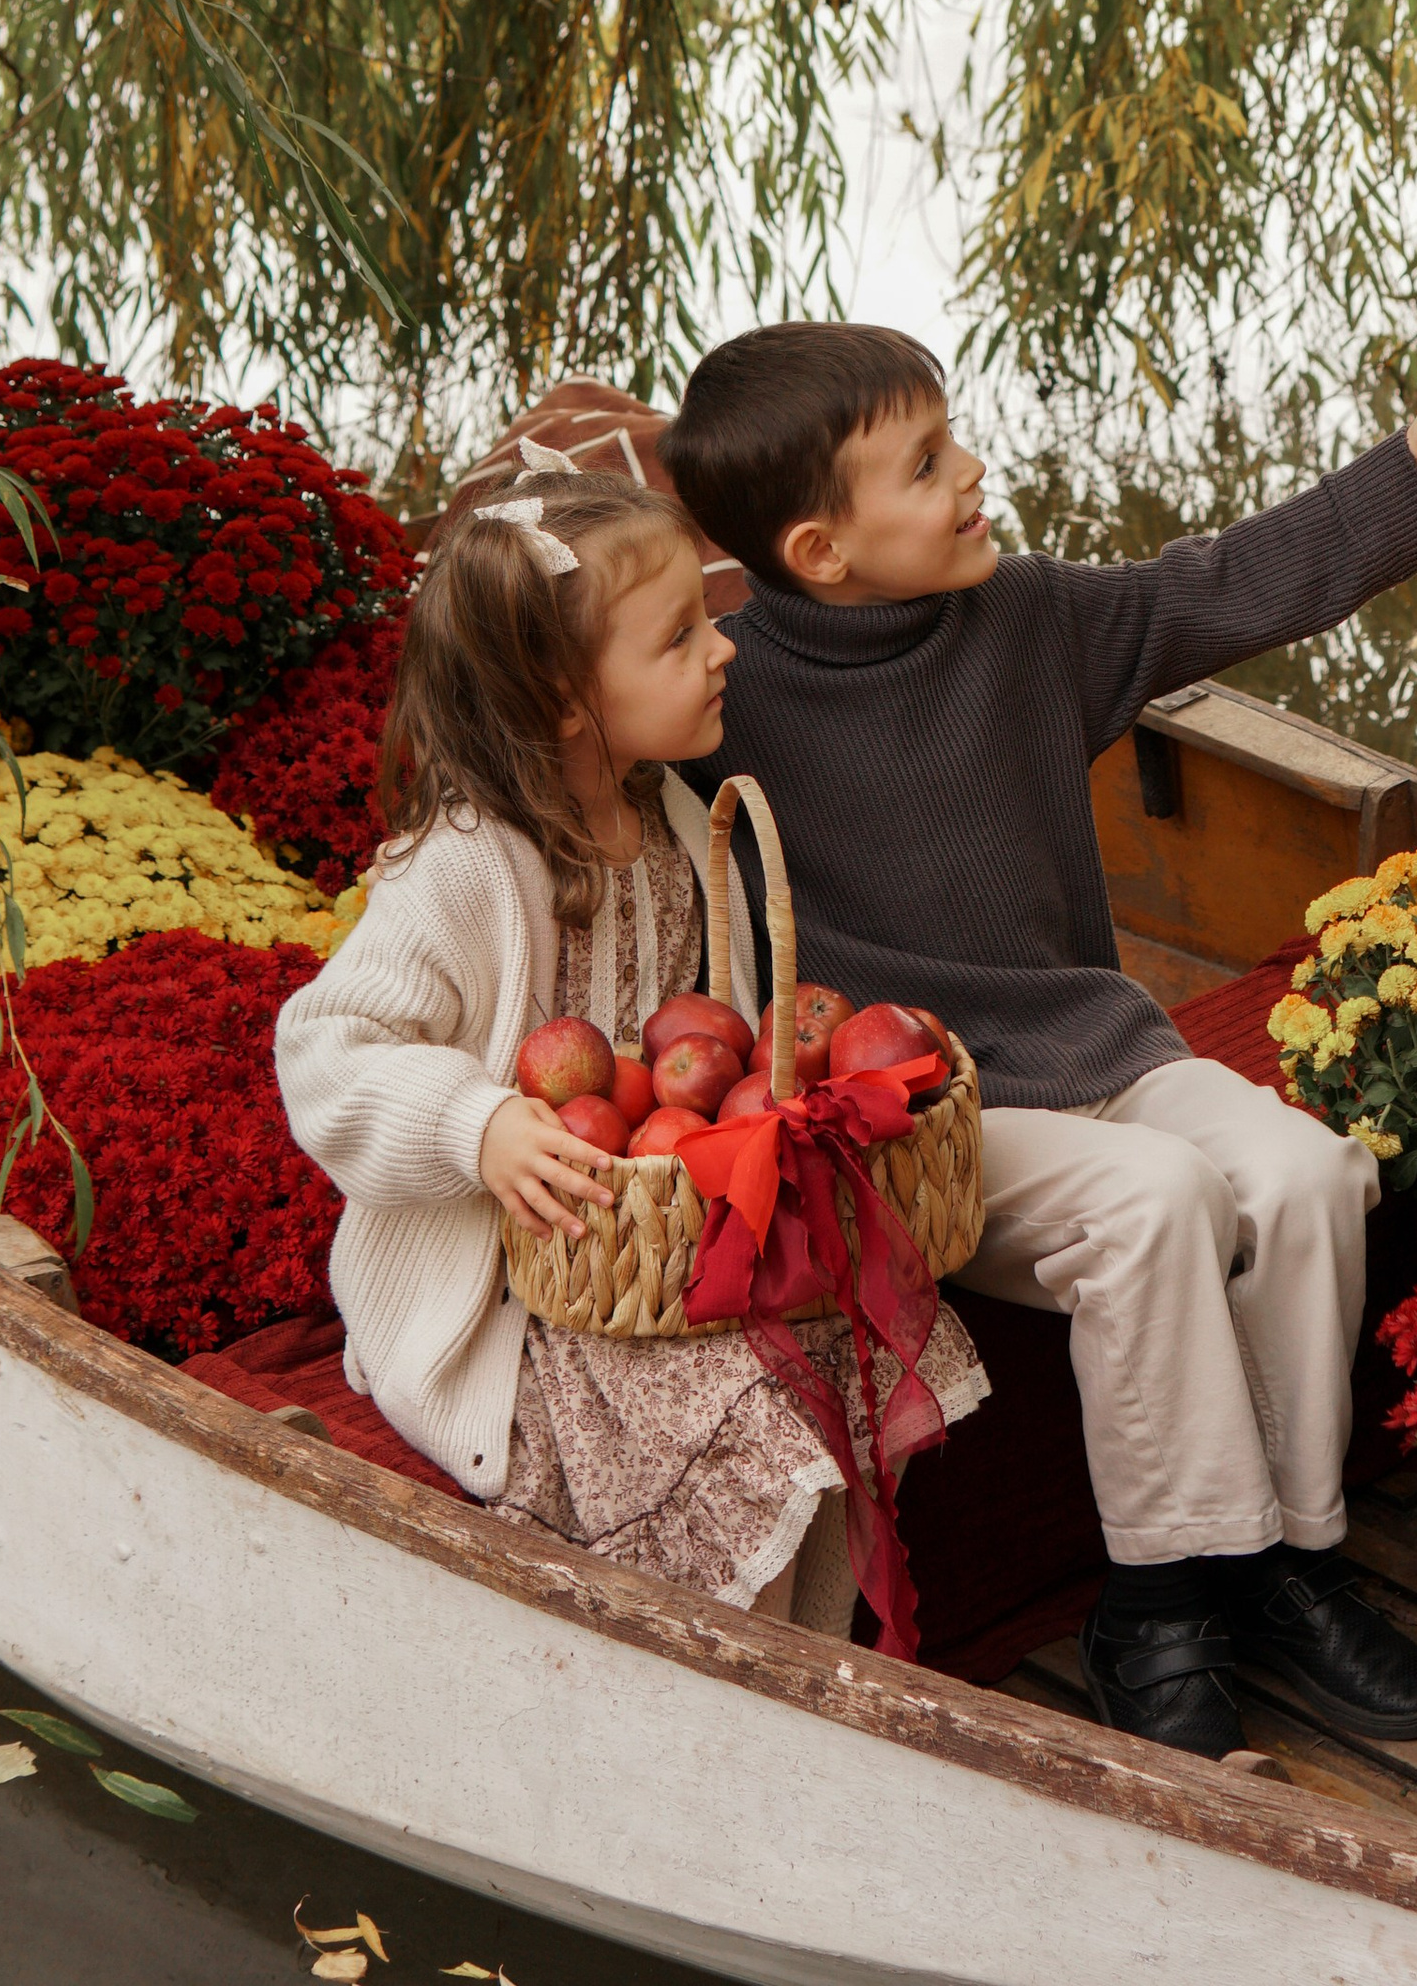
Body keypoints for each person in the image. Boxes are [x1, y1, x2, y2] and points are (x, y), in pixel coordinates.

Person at [660, 320, 1417, 1754]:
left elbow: (1227, 585)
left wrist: (1414, 467)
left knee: (1307, 1176)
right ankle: (1159, 1607)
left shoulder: (1031, 619)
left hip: (1101, 1049)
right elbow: (568, 724)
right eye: (928, 464)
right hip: (926, 1118)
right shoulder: (723, 699)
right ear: (821, 551)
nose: (974, 473)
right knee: (1157, 1202)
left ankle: (1288, 1568)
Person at [276, 467, 982, 1625]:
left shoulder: (667, 819)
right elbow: (323, 1047)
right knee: (761, 1406)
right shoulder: (462, 865)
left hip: (663, 1250)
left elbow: (713, 1039)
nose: (722, 651)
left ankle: (813, 1664)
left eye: (707, 621)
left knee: (849, 1362)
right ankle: (734, 1677)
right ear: (564, 699)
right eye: (677, 638)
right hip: (528, 1291)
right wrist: (479, 1122)